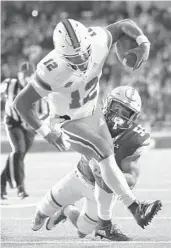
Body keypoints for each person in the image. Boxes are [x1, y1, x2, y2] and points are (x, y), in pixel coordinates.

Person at [14, 18, 161, 228]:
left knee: (105, 160)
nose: (82, 60)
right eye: (75, 58)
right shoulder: (51, 69)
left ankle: (103, 223)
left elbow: (122, 26)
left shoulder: (98, 41)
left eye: (85, 53)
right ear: (61, 54)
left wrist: (143, 42)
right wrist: (46, 132)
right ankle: (135, 208)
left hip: (92, 111)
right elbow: (22, 103)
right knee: (103, 150)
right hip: (65, 121)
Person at [31, 86, 161, 241]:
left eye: (126, 113)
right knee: (39, 217)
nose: (119, 115)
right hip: (79, 176)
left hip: (102, 191)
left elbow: (131, 178)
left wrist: (109, 175)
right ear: (108, 103)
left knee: (82, 231)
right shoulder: (92, 116)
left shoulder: (133, 138)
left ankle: (67, 211)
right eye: (117, 108)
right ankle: (52, 211)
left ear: (133, 117)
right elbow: (64, 119)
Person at [0, 62, 49, 199]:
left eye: (29, 75)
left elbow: (45, 111)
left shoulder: (39, 88)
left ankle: (1, 184)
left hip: (30, 126)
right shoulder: (9, 83)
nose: (26, 78)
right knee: (18, 151)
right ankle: (20, 188)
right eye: (24, 75)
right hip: (12, 122)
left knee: (18, 156)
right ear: (18, 75)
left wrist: (33, 122)